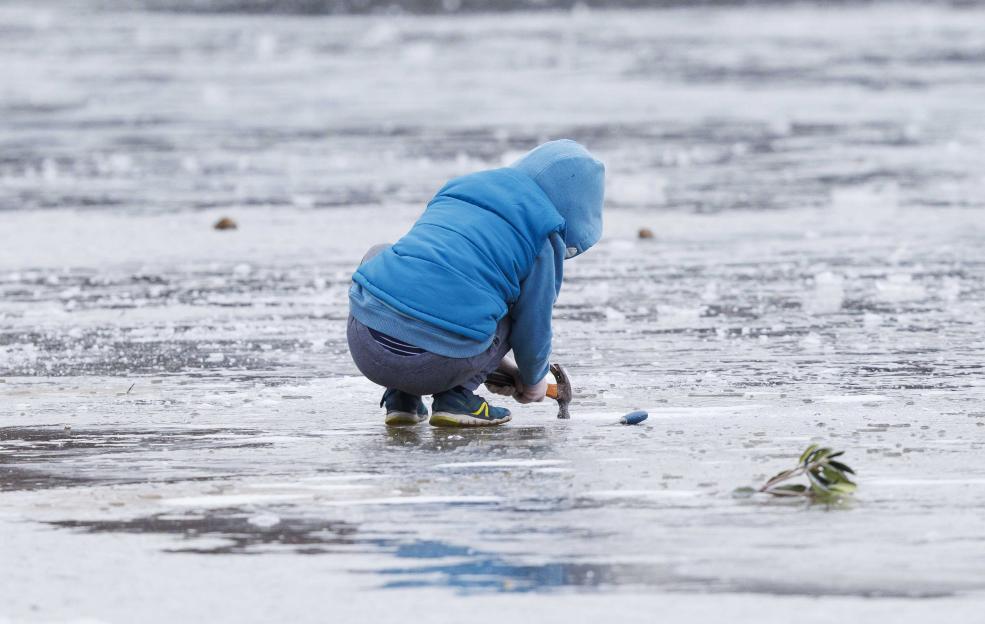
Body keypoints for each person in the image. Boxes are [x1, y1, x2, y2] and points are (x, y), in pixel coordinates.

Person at [346, 139, 604, 427]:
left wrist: (494, 366)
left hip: (365, 344)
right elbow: (533, 325)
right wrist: (532, 381)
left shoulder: (459, 189)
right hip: (436, 363)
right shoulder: (543, 233)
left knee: (385, 256)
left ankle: (401, 399)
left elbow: (427, 285)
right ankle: (457, 397)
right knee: (511, 302)